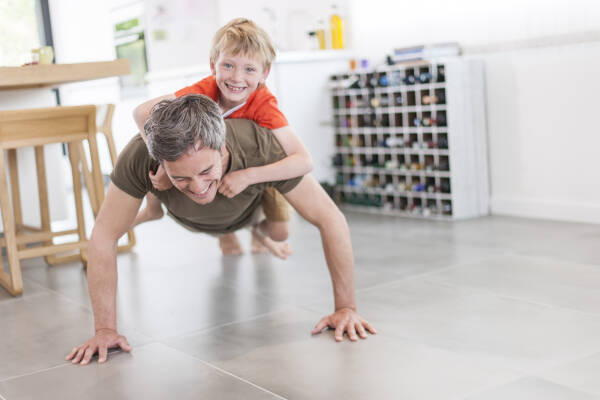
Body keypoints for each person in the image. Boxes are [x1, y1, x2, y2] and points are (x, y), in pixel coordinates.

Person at [66, 95, 375, 365]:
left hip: (248, 206)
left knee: (279, 230)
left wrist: (346, 307)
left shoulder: (258, 144)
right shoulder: (138, 156)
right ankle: (223, 231)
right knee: (198, 202)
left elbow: (330, 218)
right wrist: (105, 330)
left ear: (222, 145)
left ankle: (253, 231)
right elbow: (103, 236)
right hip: (192, 219)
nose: (198, 187)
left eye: (205, 171)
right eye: (181, 178)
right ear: (160, 161)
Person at [132, 18, 312, 259]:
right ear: (212, 64)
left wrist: (247, 177)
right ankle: (217, 230)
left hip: (259, 170)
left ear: (264, 73)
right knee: (166, 150)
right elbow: (142, 112)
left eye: (249, 69)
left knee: (280, 233)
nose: (237, 78)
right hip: (217, 169)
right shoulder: (205, 91)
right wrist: (164, 163)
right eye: (228, 65)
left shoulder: (263, 103)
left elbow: (304, 161)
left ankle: (256, 231)